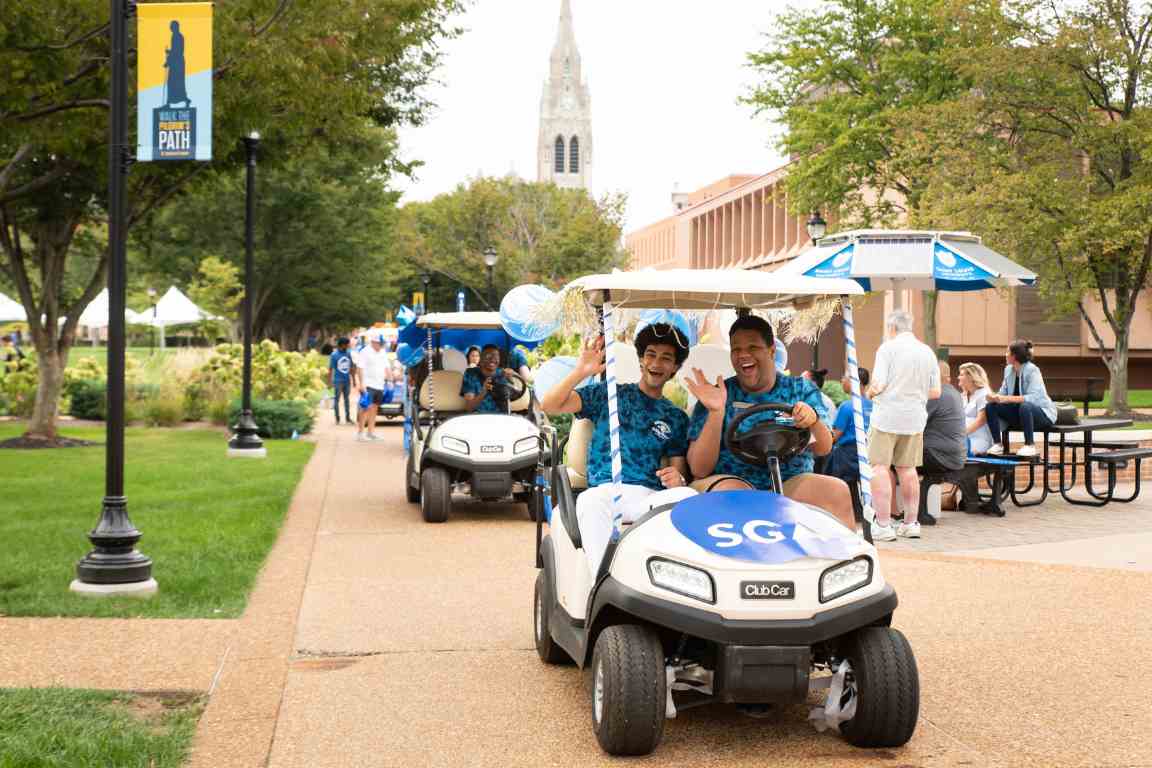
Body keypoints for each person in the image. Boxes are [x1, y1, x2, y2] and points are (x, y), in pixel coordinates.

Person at [540, 324, 695, 575]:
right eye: (651, 354)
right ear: (641, 360)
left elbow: (677, 472)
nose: (656, 363)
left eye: (666, 358)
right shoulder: (609, 394)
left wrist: (678, 479)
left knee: (687, 498)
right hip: (607, 492)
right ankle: (601, 583)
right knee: (590, 500)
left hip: (649, 497)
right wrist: (582, 371)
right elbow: (550, 404)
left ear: (675, 368)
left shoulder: (675, 417)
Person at [683, 315, 856, 530]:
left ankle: (846, 561)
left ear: (772, 351)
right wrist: (716, 412)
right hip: (731, 481)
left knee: (836, 490)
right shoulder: (719, 395)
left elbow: (823, 448)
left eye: (753, 346)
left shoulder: (800, 390)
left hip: (788, 480)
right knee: (738, 494)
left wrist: (813, 421)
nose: (743, 354)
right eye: (736, 349)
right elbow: (699, 469)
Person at [865, 310, 941, 541]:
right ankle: (910, 523)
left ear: (892, 328)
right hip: (914, 418)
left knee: (879, 468)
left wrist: (869, 393)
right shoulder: (927, 352)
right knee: (908, 470)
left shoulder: (887, 348)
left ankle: (884, 524)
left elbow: (878, 384)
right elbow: (936, 391)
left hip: (887, 416)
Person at [986, 339, 1056, 457]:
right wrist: (994, 397)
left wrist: (1006, 399)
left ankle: (1030, 445)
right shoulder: (1008, 370)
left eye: (1007, 352)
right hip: (1020, 414)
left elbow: (1034, 398)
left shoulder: (1032, 369)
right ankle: (997, 444)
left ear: (1014, 356)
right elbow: (1003, 393)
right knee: (991, 406)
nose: (1005, 355)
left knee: (1025, 406)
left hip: (1041, 414)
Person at [917, 361, 967, 526]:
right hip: (955, 455)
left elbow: (917, 422)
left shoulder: (937, 395)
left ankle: (899, 512)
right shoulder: (953, 393)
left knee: (897, 462)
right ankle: (915, 511)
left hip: (938, 455)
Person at [827, 367, 872, 484]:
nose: (842, 380)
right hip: (868, 454)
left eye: (845, 377)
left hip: (847, 458)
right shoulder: (873, 406)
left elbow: (835, 435)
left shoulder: (847, 406)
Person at [355, 334, 390, 442]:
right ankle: (360, 433)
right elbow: (360, 368)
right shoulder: (365, 351)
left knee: (374, 409)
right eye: (380, 343)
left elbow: (386, 367)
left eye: (382, 344)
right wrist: (361, 384)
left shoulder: (383, 352)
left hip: (379, 384)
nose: (381, 346)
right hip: (368, 384)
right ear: (373, 342)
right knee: (365, 407)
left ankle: (370, 432)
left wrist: (390, 380)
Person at [461, 345, 515, 413]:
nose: (492, 359)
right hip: (478, 417)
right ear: (481, 358)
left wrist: (511, 381)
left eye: (496, 356)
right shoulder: (470, 373)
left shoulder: (503, 373)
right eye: (488, 356)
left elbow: (512, 398)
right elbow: (469, 408)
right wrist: (484, 391)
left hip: (502, 418)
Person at [958, 362, 994, 455]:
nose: (958, 377)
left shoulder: (984, 393)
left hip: (979, 440)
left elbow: (981, 420)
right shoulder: (962, 396)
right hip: (963, 438)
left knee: (956, 453)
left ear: (971, 377)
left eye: (961, 375)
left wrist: (960, 435)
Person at [328, 337, 355, 425]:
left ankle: (348, 418)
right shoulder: (334, 355)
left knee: (347, 399)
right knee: (337, 399)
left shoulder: (348, 353)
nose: (348, 346)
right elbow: (330, 369)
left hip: (347, 380)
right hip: (338, 380)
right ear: (342, 345)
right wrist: (329, 382)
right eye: (347, 344)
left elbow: (351, 367)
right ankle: (337, 418)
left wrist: (354, 379)